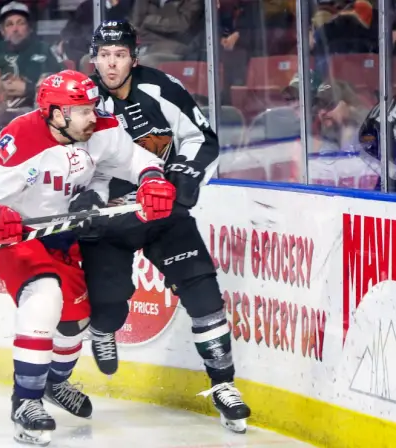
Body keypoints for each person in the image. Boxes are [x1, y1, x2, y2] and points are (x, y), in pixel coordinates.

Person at [0, 69, 175, 445]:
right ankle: (25, 402)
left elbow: (139, 160)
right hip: (14, 235)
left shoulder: (100, 130)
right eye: (82, 110)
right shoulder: (22, 138)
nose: (93, 115)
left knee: (76, 321)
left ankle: (54, 384)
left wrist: (153, 179)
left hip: (58, 237)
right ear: (56, 114)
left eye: (93, 107)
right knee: (45, 297)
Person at [78, 20, 252, 434]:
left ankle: (224, 385)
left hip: (162, 212)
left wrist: (184, 176)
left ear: (133, 57)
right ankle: (102, 329)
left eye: (120, 54)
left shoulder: (161, 87)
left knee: (203, 292)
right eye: (104, 55)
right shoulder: (81, 98)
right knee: (110, 305)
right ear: (94, 58)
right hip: (111, 218)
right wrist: (82, 193)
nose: (112, 63)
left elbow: (202, 138)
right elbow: (65, 153)